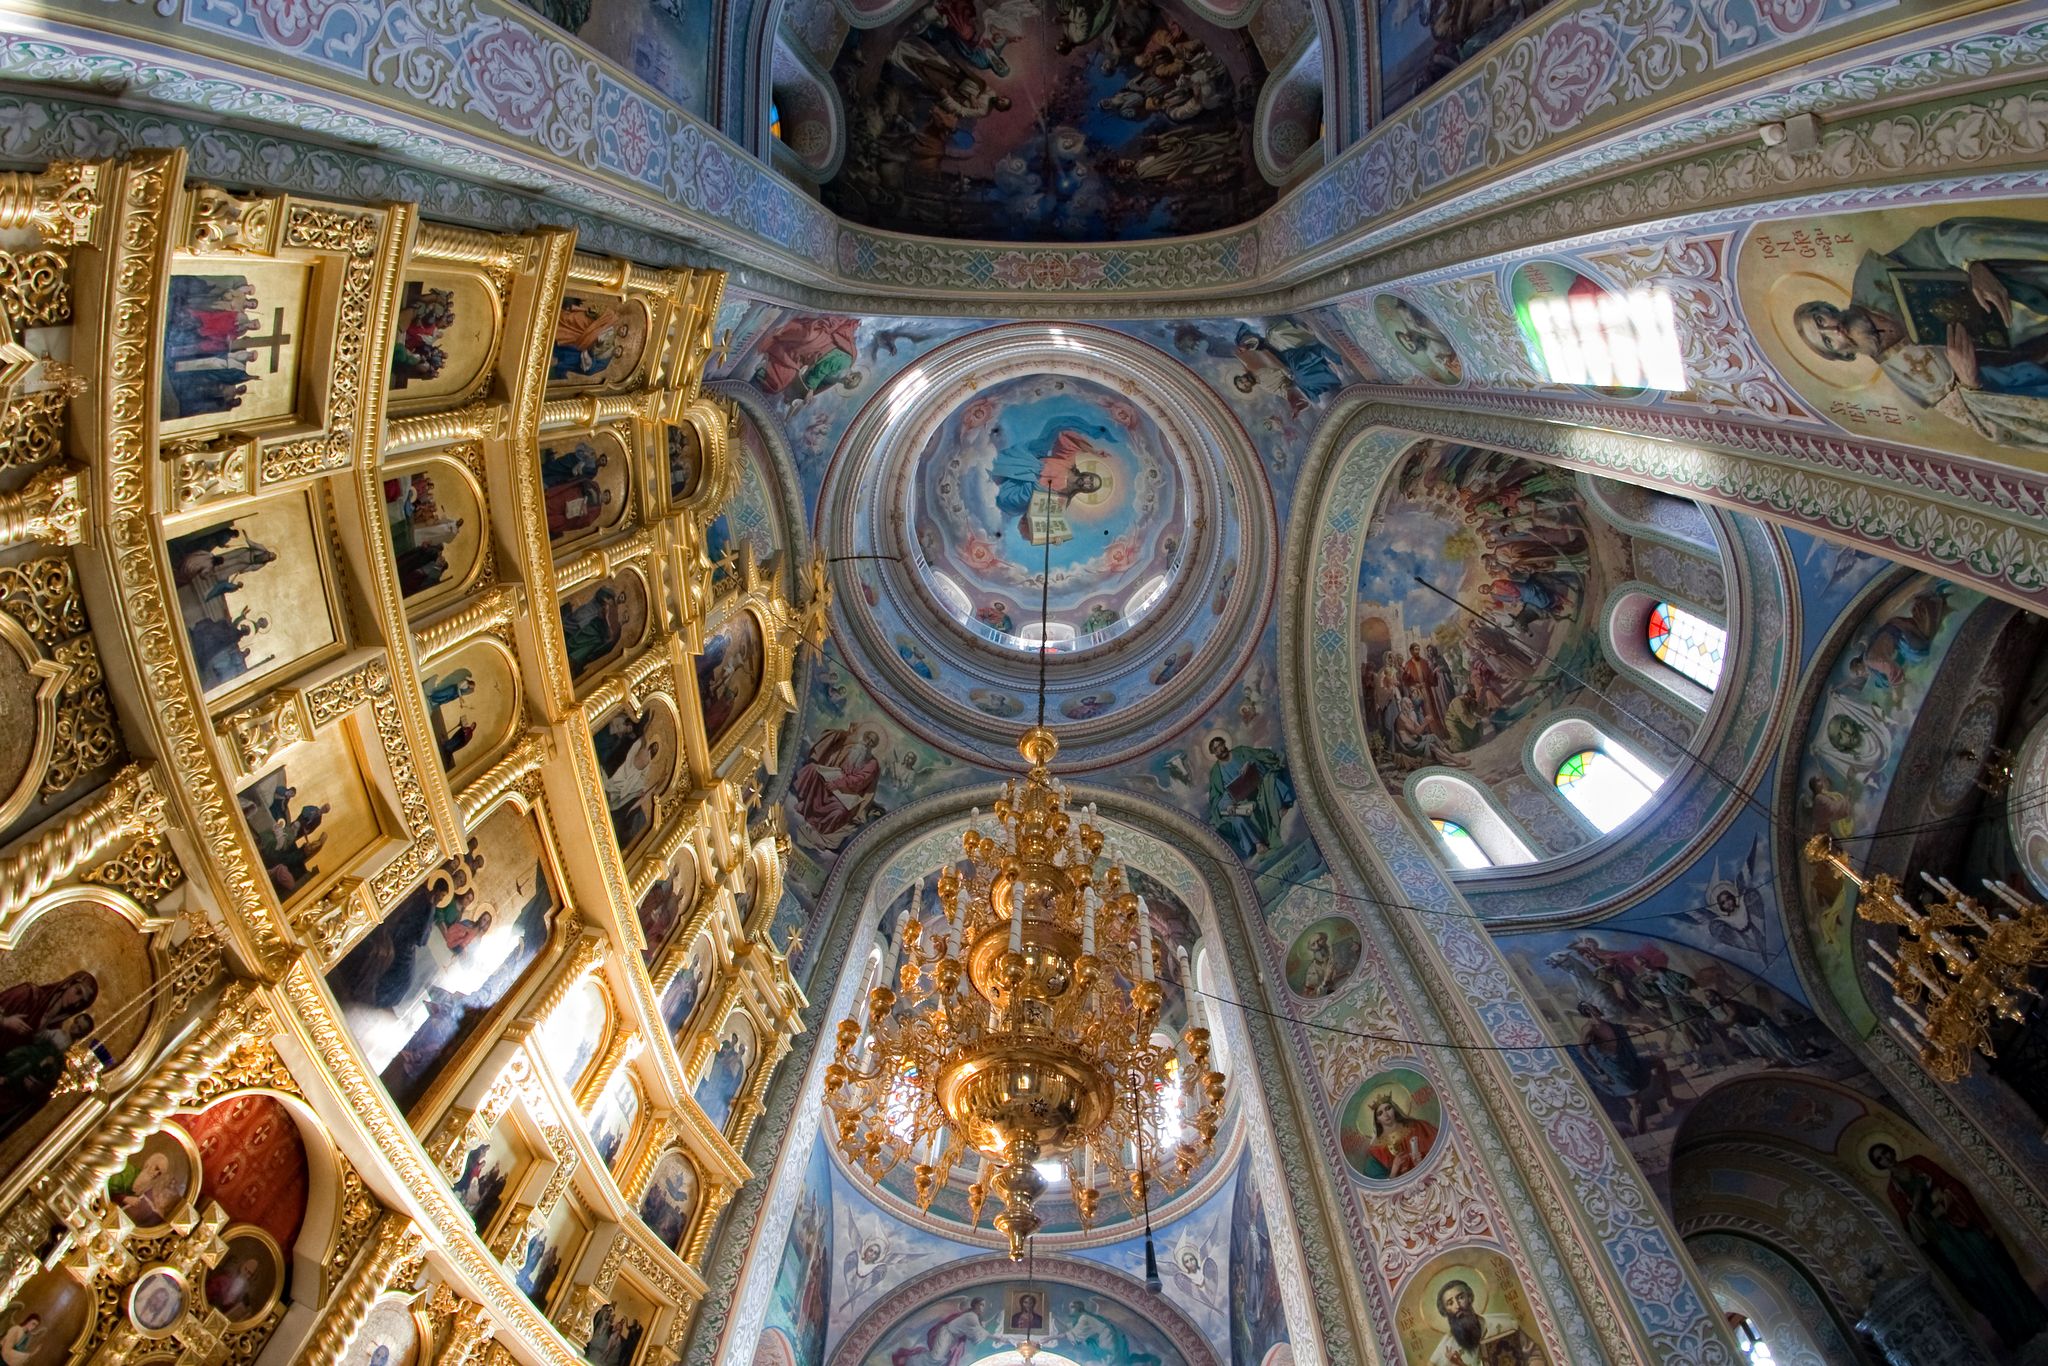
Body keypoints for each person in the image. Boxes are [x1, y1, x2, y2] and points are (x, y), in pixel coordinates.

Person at [1791, 218, 2048, 451]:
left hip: (2022, 283)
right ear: (1844, 356)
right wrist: (1969, 380)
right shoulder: (1907, 377)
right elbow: (1981, 422)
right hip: (2033, 349)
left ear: (1828, 308)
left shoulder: (1874, 277)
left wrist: (1973, 266)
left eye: (1820, 320)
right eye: (1826, 340)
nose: (1832, 330)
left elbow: (1936, 240)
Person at [1869, 1142, 2048, 1348]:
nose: (1886, 1158)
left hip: (1959, 1221)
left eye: (1885, 1153)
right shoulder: (1894, 1189)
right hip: (1943, 1238)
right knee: (1977, 1280)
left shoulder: (1917, 1162)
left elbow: (1950, 1183)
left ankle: (2033, 1317)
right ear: (1879, 1165)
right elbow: (1910, 1223)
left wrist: (1945, 1197)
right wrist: (1918, 1204)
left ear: (1891, 1151)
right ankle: (2015, 1331)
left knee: (1995, 1264)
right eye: (1880, 1159)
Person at [1205, 735, 1296, 859]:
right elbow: (1217, 797)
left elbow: (1261, 757)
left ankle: (1280, 809)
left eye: (1221, 745)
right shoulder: (1216, 772)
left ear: (1225, 744)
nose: (1220, 749)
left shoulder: (1241, 752)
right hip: (1241, 801)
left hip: (1258, 789)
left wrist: (1250, 763)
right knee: (1238, 817)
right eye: (1216, 748)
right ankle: (1258, 842)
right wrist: (1228, 805)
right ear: (1213, 753)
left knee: (1270, 779)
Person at [791, 726, 883, 838]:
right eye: (868, 738)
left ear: (873, 746)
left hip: (848, 794)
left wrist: (837, 783)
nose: (868, 742)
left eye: (872, 742)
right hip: (835, 778)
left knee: (839, 811)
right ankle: (806, 807)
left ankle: (817, 826)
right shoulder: (853, 748)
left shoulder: (872, 764)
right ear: (864, 737)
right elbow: (837, 756)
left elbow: (858, 780)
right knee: (814, 771)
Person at [1428, 1279, 1546, 1365]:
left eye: (1460, 1297)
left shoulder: (1504, 1324)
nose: (1457, 1305)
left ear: (1470, 1297)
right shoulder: (1444, 1350)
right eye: (1450, 1303)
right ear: (1445, 1311)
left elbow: (1534, 1355)